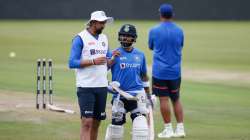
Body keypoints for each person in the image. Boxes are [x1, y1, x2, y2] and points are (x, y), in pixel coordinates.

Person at [68, 11, 116, 140]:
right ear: (93, 23)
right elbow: (72, 62)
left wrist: (112, 59)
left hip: (101, 86)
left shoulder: (104, 38)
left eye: (104, 22)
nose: (103, 25)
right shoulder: (80, 38)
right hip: (86, 86)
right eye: (101, 23)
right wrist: (93, 61)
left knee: (96, 123)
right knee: (87, 122)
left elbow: (107, 62)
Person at [105, 24, 155, 140]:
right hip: (119, 96)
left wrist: (148, 95)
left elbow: (144, 76)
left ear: (134, 38)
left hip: (137, 96)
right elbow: (102, 72)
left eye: (128, 36)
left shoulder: (140, 55)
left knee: (141, 130)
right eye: (122, 36)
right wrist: (111, 60)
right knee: (115, 133)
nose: (125, 38)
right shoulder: (113, 53)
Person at [148, 3, 186, 138]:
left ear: (160, 15)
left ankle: (168, 129)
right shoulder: (180, 30)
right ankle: (180, 128)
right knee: (176, 99)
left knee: (164, 99)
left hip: (160, 72)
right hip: (175, 72)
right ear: (172, 15)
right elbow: (181, 45)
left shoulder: (154, 30)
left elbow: (151, 46)